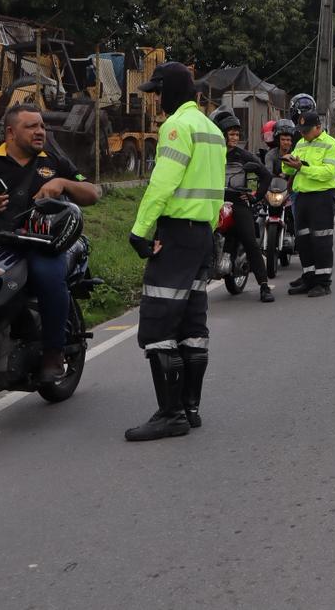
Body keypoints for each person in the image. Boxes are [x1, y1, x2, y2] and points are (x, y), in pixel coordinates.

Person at [0, 104, 100, 384]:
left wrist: (63, 184)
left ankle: (53, 353)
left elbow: (92, 193)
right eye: (31, 126)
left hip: (43, 246)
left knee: (48, 277)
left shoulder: (53, 163)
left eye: (42, 126)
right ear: (10, 132)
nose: (40, 131)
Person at [124, 62, 227, 442]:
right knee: (192, 324)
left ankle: (170, 414)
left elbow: (161, 184)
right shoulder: (212, 130)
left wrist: (139, 232)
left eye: (157, 93)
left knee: (159, 320)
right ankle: (189, 408)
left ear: (170, 93)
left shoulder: (176, 127)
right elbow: (215, 191)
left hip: (176, 235)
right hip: (202, 234)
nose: (155, 101)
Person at [212, 110, 274, 304]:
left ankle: (263, 286)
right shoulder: (211, 154)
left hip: (238, 203)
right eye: (231, 134)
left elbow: (266, 175)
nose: (235, 137)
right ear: (221, 135)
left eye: (237, 134)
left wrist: (255, 197)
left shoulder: (244, 155)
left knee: (250, 242)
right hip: (214, 203)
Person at [282, 110, 335, 297]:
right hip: (302, 197)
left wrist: (303, 167)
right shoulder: (300, 143)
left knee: (321, 240)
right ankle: (308, 277)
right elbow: (292, 171)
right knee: (303, 240)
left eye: (307, 130)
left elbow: (329, 173)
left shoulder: (330, 144)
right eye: (301, 130)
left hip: (321, 197)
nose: (303, 133)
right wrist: (287, 162)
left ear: (318, 127)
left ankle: (323, 282)